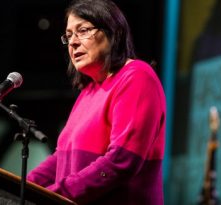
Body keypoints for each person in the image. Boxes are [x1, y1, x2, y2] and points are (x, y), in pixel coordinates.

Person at [26, 0, 166, 204]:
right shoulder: (89, 91)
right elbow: (61, 161)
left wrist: (54, 195)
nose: (73, 42)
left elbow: (121, 162)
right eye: (69, 35)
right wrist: (19, 187)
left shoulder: (137, 77)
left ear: (113, 32)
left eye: (82, 30)